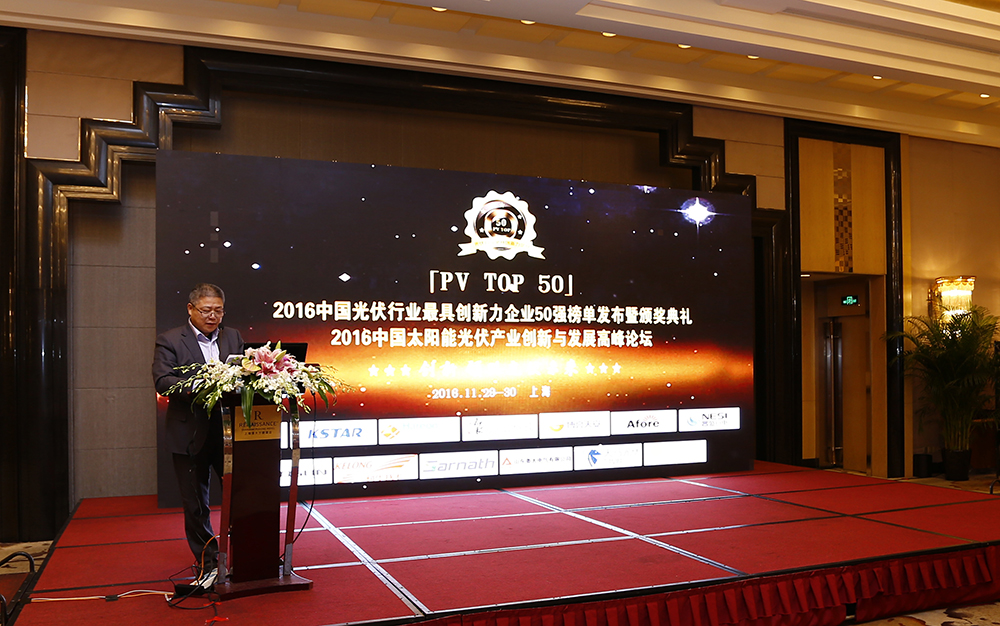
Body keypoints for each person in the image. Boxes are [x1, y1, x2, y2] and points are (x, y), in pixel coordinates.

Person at [152, 283, 243, 585]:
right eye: (206, 310)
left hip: (229, 432)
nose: (212, 316)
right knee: (196, 504)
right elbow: (163, 380)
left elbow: (246, 373)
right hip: (189, 432)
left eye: (218, 310)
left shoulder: (233, 337)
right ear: (191, 309)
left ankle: (241, 557)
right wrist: (203, 386)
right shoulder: (169, 340)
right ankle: (209, 562)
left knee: (239, 497)